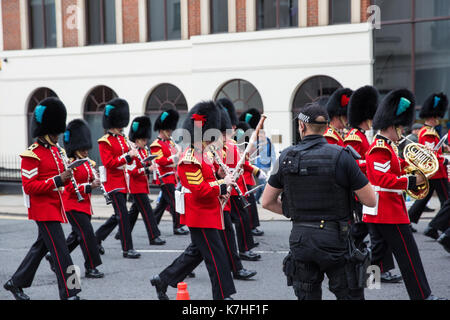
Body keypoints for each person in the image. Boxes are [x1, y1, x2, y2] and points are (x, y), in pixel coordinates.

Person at [262, 102, 376, 300]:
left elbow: (266, 202)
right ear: (326, 128)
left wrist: (293, 212)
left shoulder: (286, 157)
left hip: (301, 238)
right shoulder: (342, 155)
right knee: (350, 294)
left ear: (302, 126)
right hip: (336, 238)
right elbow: (370, 200)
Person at [150, 101, 236, 300]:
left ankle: (162, 280)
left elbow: (208, 181)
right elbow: (199, 190)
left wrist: (220, 179)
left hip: (208, 212)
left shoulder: (205, 154)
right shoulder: (190, 158)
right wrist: (222, 183)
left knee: (195, 254)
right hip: (200, 215)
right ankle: (222, 296)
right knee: (216, 257)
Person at [362, 88, 443, 300]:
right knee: (409, 257)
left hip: (379, 211)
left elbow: (394, 167)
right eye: (399, 126)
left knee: (378, 251)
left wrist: (417, 164)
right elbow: (383, 180)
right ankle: (423, 297)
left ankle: (368, 286)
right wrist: (411, 180)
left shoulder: (388, 147)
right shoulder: (380, 149)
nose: (401, 130)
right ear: (390, 126)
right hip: (388, 211)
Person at [3, 97, 82, 300]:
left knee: (40, 248)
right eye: (55, 132)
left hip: (56, 207)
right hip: (43, 210)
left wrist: (68, 179)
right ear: (46, 131)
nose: (58, 136)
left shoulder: (58, 151)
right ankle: (71, 292)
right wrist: (58, 180)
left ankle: (15, 282)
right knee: (61, 252)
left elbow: (60, 178)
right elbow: (29, 187)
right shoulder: (32, 155)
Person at [344, 86, 402, 286]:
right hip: (362, 191)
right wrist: (367, 163)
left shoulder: (361, 135)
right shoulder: (354, 136)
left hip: (369, 190)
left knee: (368, 234)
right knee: (375, 237)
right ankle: (369, 275)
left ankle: (374, 272)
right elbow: (351, 164)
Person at [46, 119, 104, 279]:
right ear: (76, 147)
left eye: (86, 148)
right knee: (87, 235)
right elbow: (70, 188)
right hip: (73, 205)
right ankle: (91, 267)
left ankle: (53, 256)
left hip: (84, 204)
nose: (86, 150)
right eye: (83, 148)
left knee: (77, 235)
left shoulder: (86, 163)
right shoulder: (70, 165)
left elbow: (89, 177)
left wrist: (96, 179)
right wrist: (90, 186)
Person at [94, 98, 141, 259]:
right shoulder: (104, 141)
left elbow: (129, 160)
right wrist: (128, 156)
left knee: (118, 215)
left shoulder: (122, 138)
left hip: (123, 181)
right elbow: (109, 163)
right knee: (123, 215)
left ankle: (96, 238)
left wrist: (134, 154)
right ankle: (127, 248)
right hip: (113, 183)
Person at [408, 93, 449, 236]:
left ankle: (409, 221)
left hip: (433, 172)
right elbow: (430, 154)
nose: (439, 119)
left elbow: (433, 149)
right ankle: (434, 227)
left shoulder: (428, 131)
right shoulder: (428, 133)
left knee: (424, 198)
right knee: (447, 201)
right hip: (437, 172)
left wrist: (444, 149)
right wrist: (445, 159)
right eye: (438, 116)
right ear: (433, 117)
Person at [126, 116, 165, 245]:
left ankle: (122, 234)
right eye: (143, 140)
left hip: (142, 186)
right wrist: (148, 170)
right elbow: (132, 172)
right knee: (148, 212)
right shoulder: (133, 152)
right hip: (136, 187)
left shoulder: (143, 151)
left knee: (133, 213)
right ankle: (154, 236)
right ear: (136, 140)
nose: (145, 142)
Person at [151, 109, 189, 235]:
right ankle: (177, 227)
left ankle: (152, 225)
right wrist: (175, 157)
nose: (170, 132)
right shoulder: (156, 144)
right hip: (164, 177)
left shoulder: (169, 142)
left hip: (172, 177)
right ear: (162, 130)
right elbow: (160, 161)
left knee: (162, 205)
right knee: (174, 202)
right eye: (168, 130)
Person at [239, 108, 267, 237]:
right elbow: (242, 162)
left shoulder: (243, 142)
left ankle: (251, 226)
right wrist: (256, 170)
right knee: (247, 205)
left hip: (245, 178)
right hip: (241, 179)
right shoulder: (238, 143)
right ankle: (250, 227)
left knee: (249, 205)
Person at [254, 129, 276, 205]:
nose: (260, 137)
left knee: (262, 183)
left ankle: (255, 198)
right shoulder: (256, 143)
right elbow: (252, 154)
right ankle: (270, 198)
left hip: (267, 166)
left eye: (261, 135)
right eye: (259, 136)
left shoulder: (269, 142)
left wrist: (274, 165)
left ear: (264, 134)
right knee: (263, 182)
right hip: (258, 166)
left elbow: (273, 154)